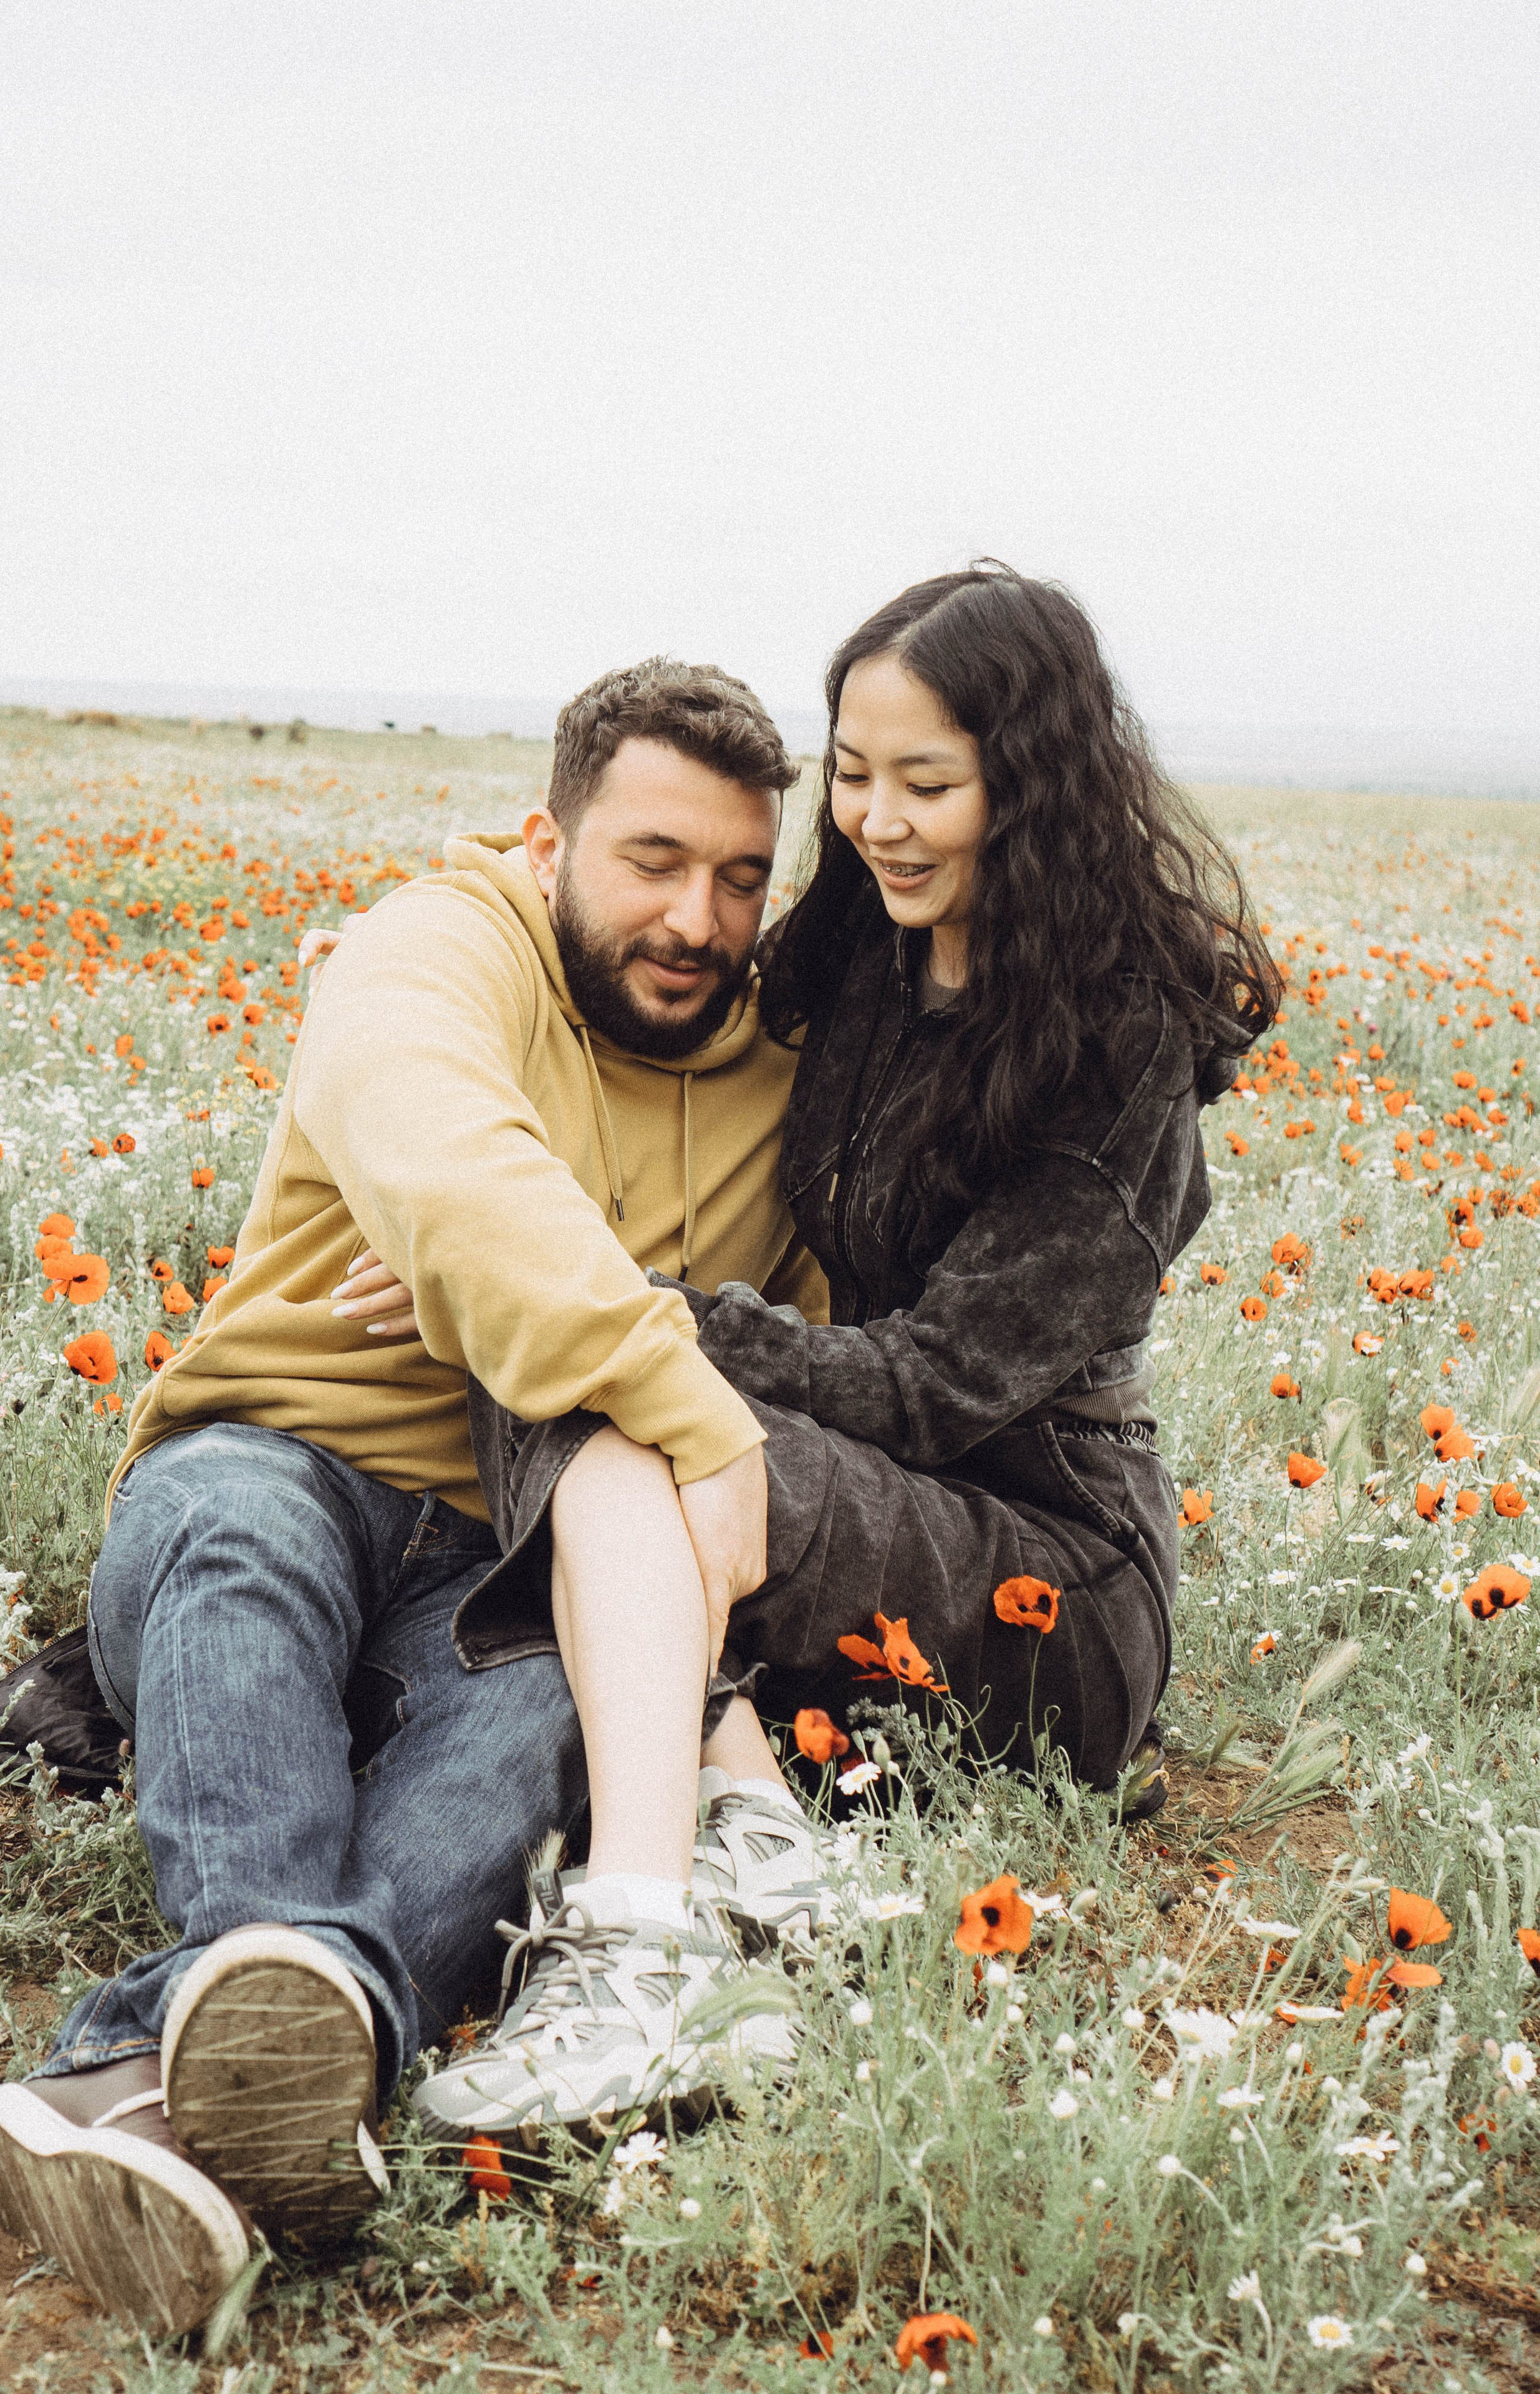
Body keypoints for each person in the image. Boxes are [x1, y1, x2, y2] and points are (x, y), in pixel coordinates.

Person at [0, 658, 827, 2335]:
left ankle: (167, 2085)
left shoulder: (776, 1077)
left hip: (514, 1551)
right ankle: (270, 2039)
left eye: (738, 878)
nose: (697, 919)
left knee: (543, 1733)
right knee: (240, 1553)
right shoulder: (440, 943)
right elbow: (436, 1144)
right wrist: (688, 1404)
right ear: (547, 838)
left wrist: (522, 1285)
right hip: (280, 1450)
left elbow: (821, 1331)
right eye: (652, 859)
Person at [408, 563, 1279, 2145]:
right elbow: (638, 952)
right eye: (855, 773)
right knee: (570, 1337)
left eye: (925, 783)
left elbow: (935, 1388)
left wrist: (637, 1305)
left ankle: (636, 1951)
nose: (875, 819)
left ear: (1032, 785)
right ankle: (747, 1822)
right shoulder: (866, 950)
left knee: (592, 1350)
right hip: (873, 1497)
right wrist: (448, 969)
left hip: (1050, 1577)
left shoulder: (1117, 1044)